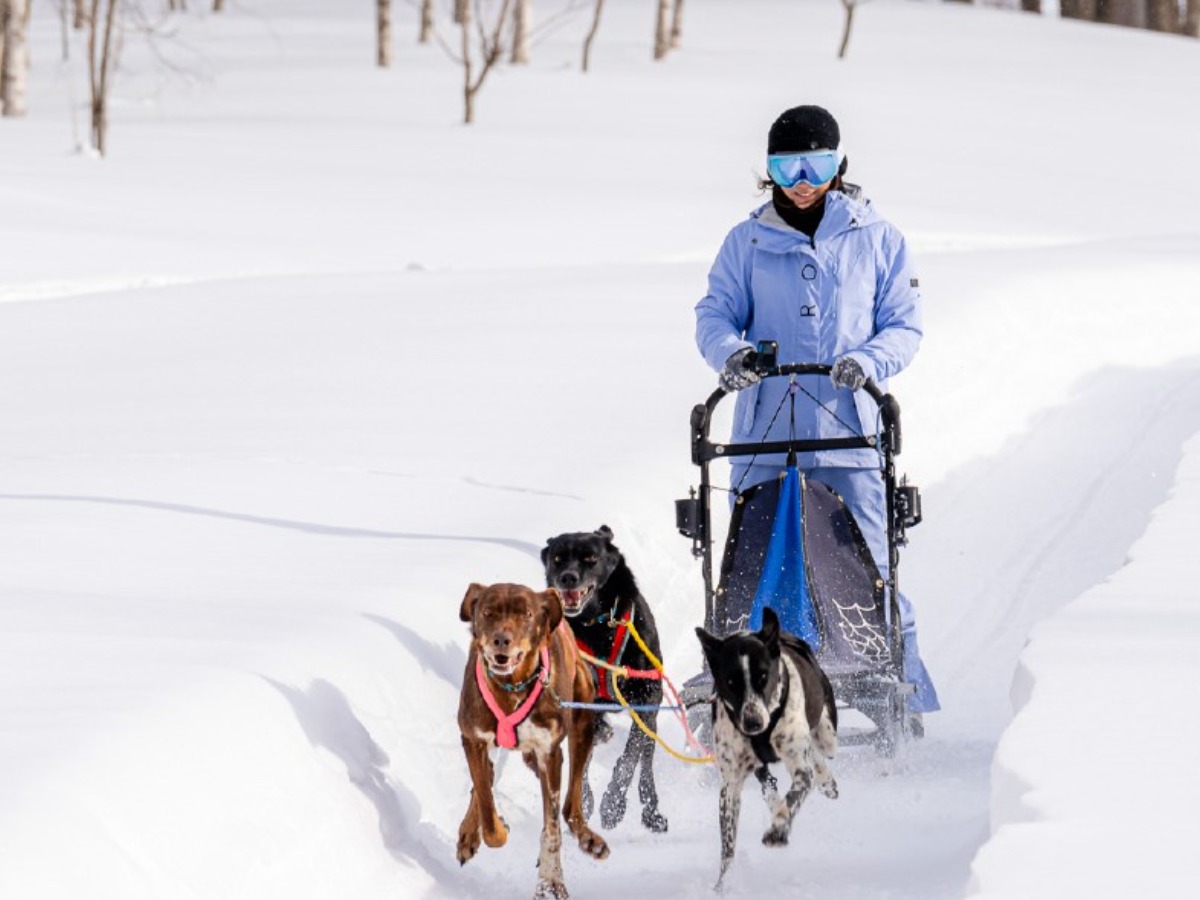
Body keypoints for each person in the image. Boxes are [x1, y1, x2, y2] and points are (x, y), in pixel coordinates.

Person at [694, 104, 939, 717]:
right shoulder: (745, 242)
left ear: (839, 165)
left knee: (871, 563)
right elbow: (714, 315)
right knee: (752, 563)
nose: (802, 180)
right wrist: (734, 355)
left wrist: (870, 362)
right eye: (787, 166)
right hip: (764, 438)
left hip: (849, 432)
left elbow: (904, 326)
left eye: (817, 164)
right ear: (768, 171)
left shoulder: (877, 239)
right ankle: (742, 684)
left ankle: (893, 686)